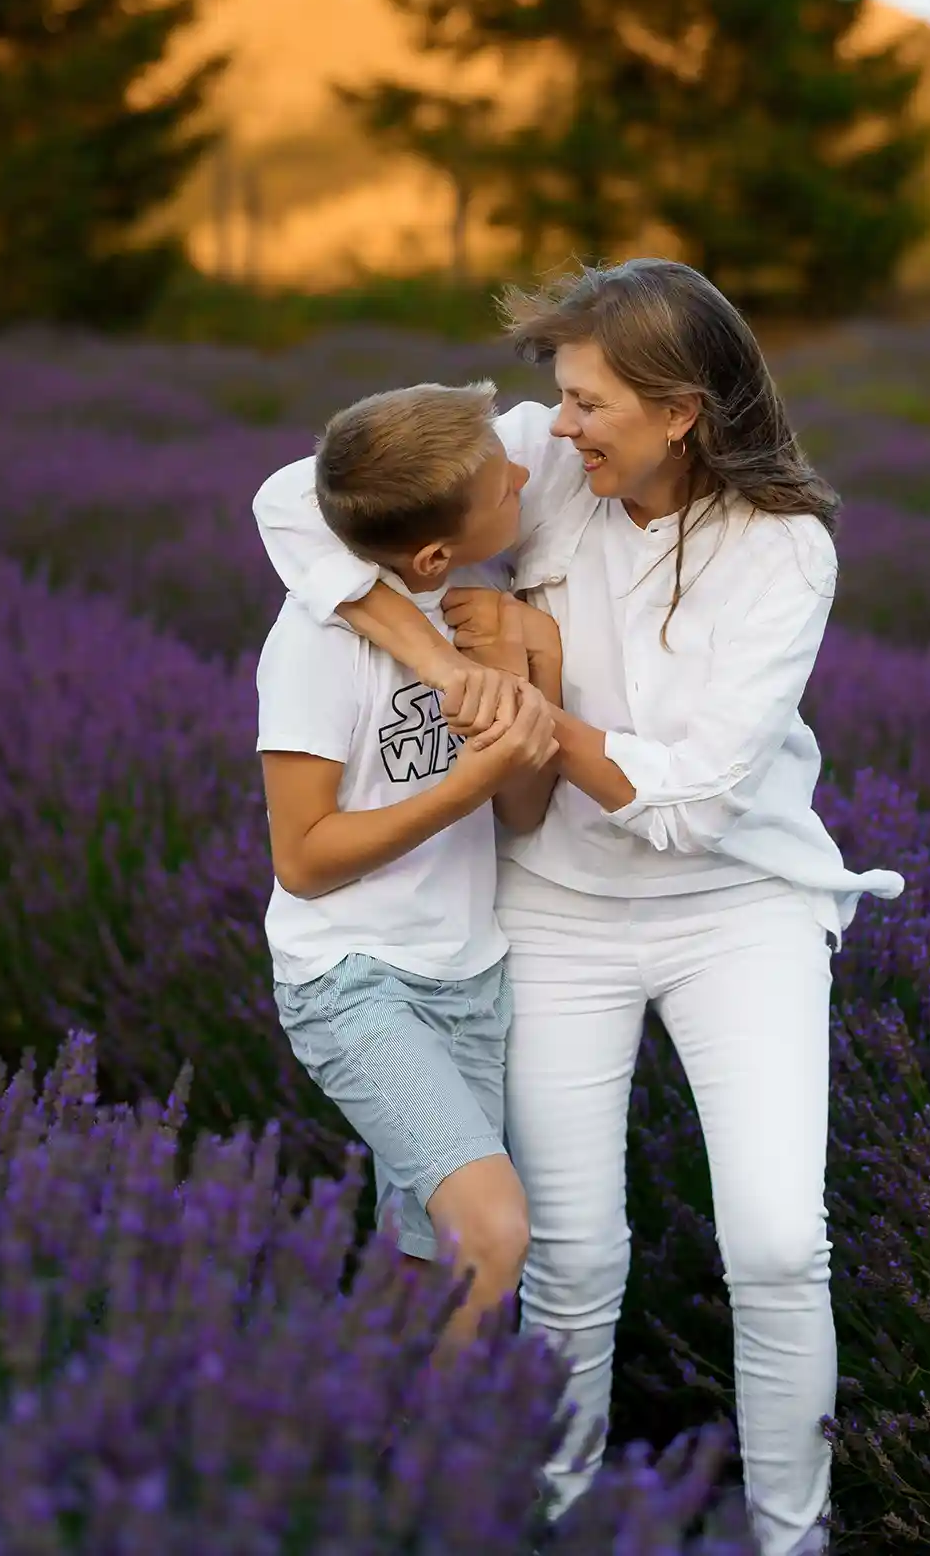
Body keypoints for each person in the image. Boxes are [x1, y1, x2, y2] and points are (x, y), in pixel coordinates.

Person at [252, 261, 905, 1556]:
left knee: (779, 1246)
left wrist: (531, 702)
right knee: (572, 1254)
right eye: (557, 397)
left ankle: (791, 1537)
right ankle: (554, 1517)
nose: (555, 426)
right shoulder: (548, 457)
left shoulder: (781, 550)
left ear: (679, 411)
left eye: (587, 402)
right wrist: (439, 656)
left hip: (739, 907)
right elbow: (295, 494)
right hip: (553, 908)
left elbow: (691, 806)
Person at [256, 380, 561, 1351]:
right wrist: (467, 780)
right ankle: (440, 1444)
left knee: (423, 1262)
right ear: (430, 551)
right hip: (353, 979)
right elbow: (303, 860)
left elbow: (524, 809)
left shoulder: (475, 597)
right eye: (502, 485)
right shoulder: (314, 642)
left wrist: (528, 669)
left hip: (470, 977)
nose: (523, 477)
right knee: (494, 1233)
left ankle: (346, 1417)